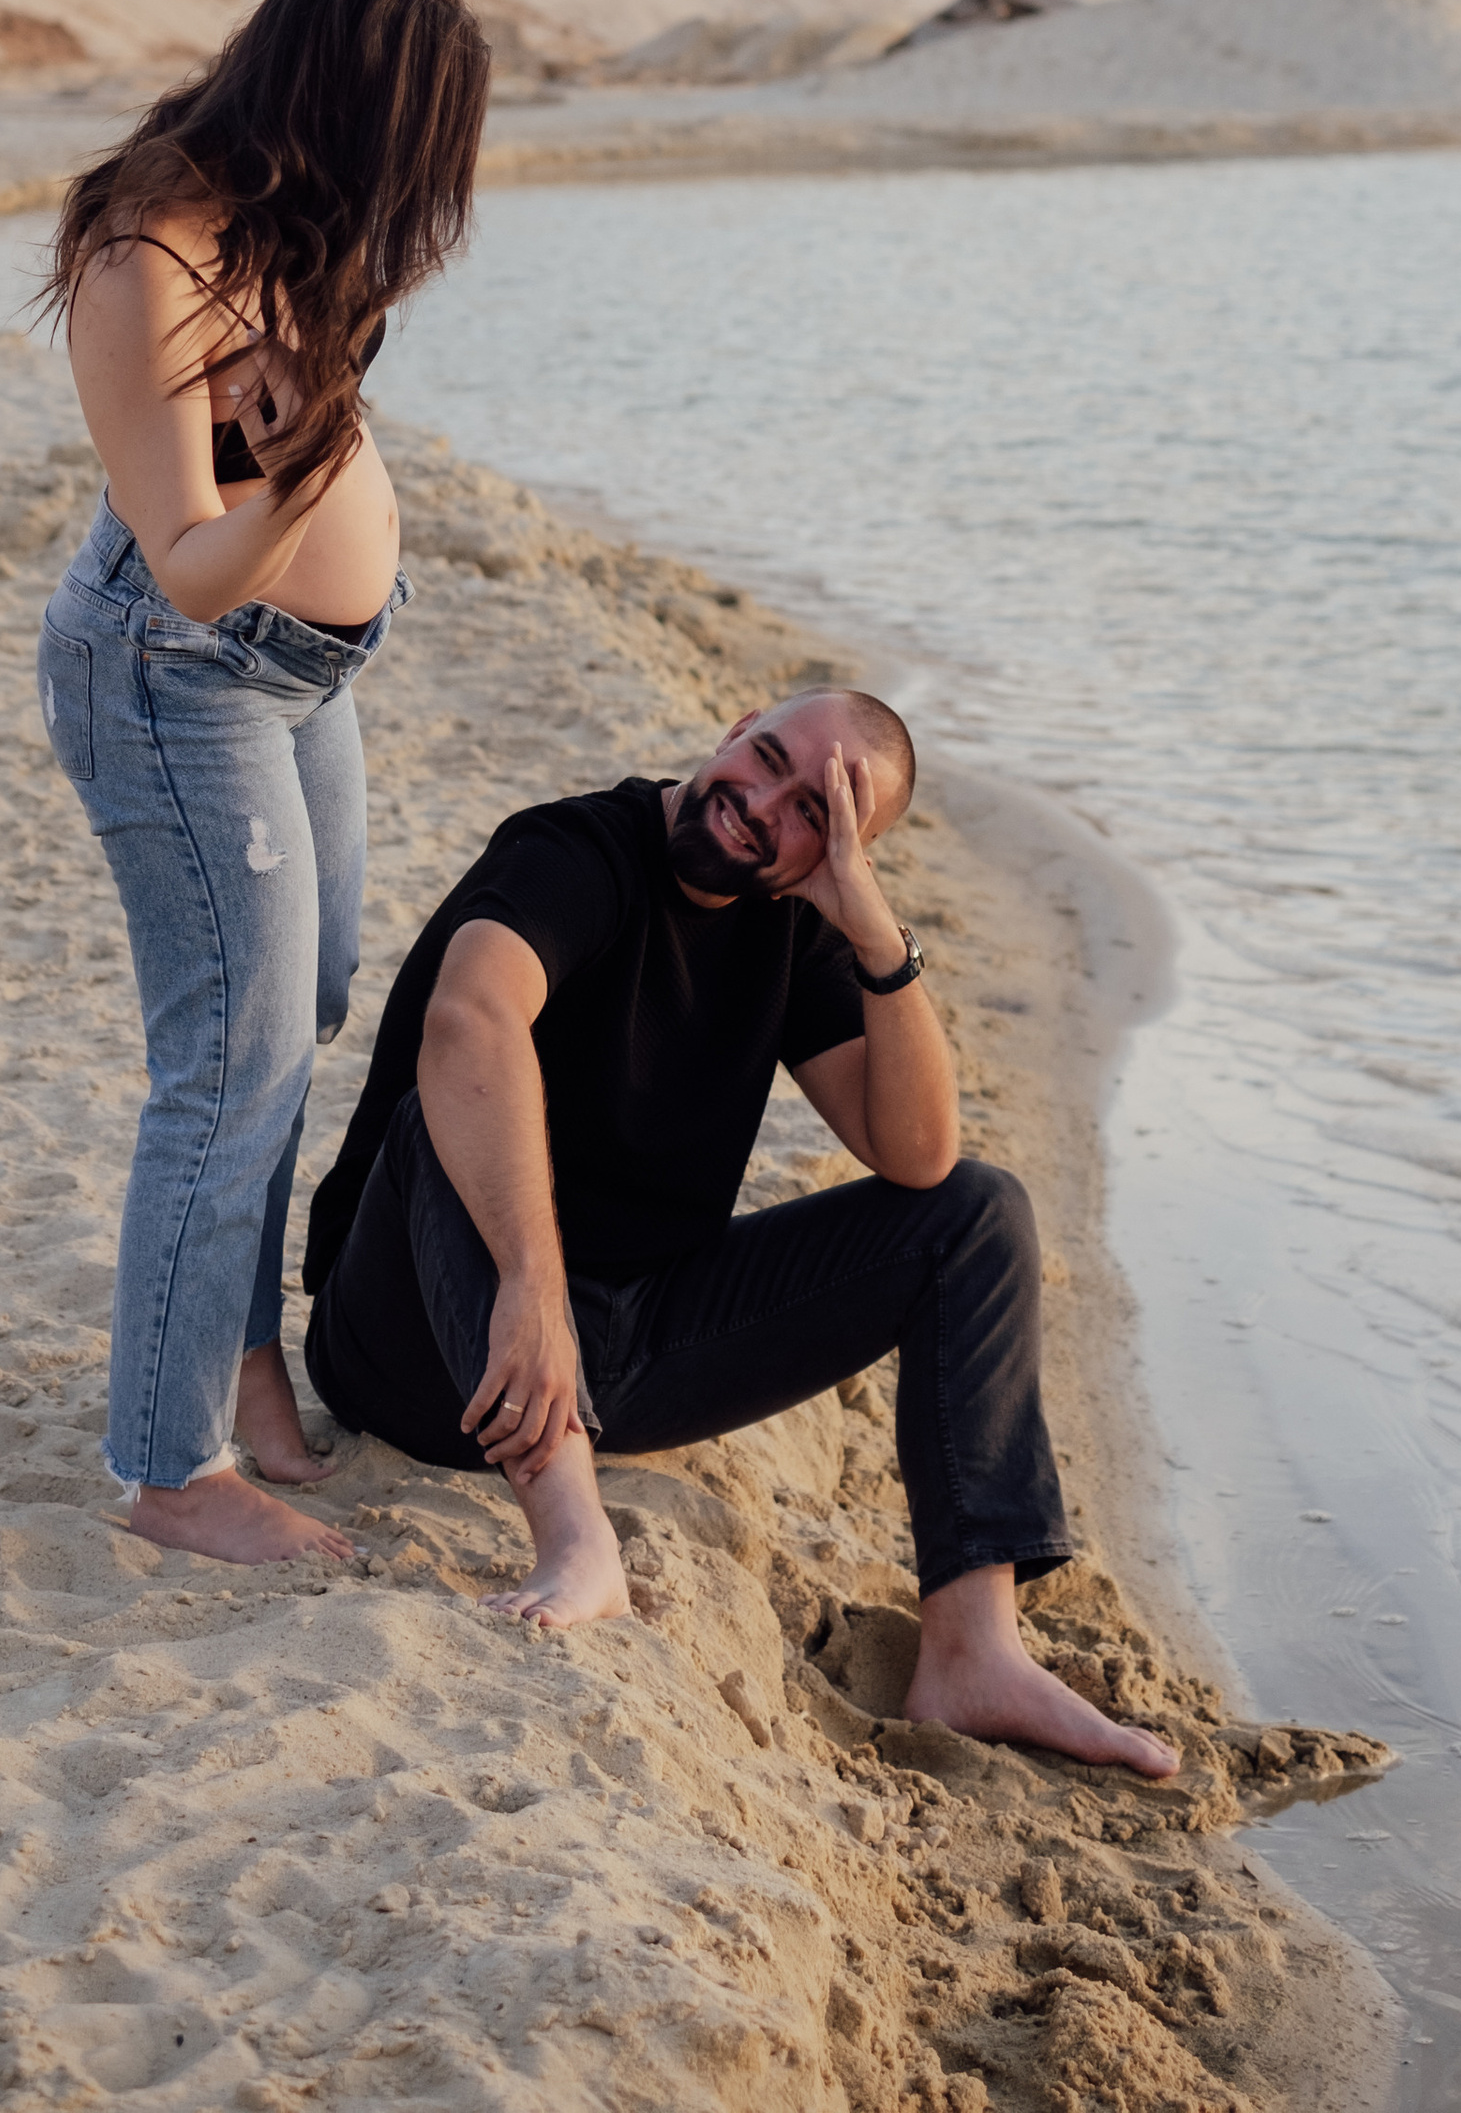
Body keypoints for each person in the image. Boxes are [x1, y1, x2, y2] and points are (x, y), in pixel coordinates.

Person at [301, 690, 1180, 1771]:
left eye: (811, 809)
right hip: (418, 1339)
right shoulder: (575, 850)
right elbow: (468, 1016)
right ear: (734, 727)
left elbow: (915, 1154)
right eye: (763, 760)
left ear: (842, 849)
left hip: (625, 1339)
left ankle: (971, 1650)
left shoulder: (793, 925)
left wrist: (869, 928)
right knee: (444, 1104)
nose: (757, 804)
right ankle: (576, 1545)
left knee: (978, 1215)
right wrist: (531, 1285)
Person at [38, 0, 491, 1567]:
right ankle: (174, 1473)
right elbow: (188, 560)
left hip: (302, 675)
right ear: (339, 104)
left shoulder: (288, 225)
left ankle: (237, 1356)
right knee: (228, 1062)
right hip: (182, 675)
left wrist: (321, 451)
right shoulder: (150, 253)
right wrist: (316, 482)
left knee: (301, 1000)